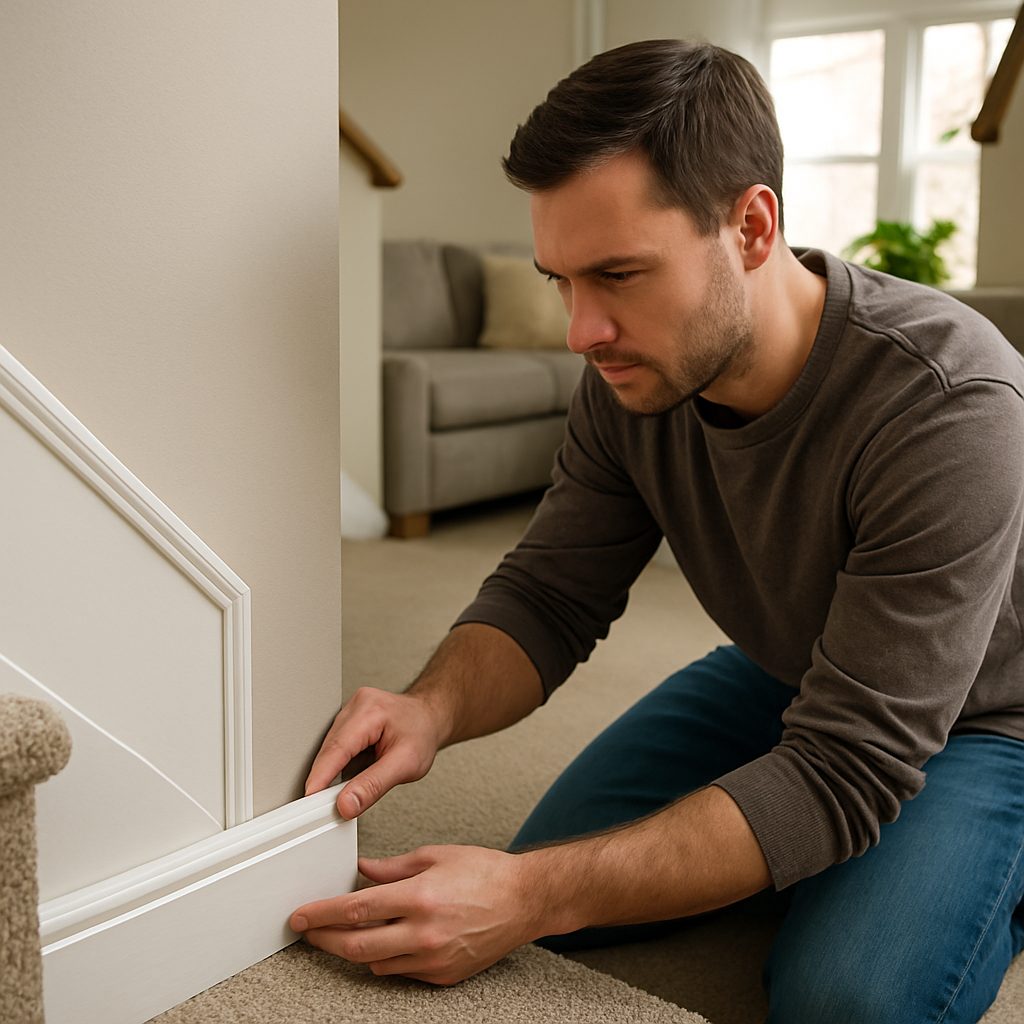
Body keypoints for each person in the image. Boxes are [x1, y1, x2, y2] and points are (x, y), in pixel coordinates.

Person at [291, 39, 1024, 1022]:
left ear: (751, 226)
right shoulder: (633, 373)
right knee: (554, 874)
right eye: (559, 279)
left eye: (619, 274)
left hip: (991, 714)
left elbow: (846, 764)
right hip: (792, 664)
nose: (580, 330)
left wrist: (528, 898)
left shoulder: (949, 402)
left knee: (844, 996)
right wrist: (431, 709)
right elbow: (550, 593)